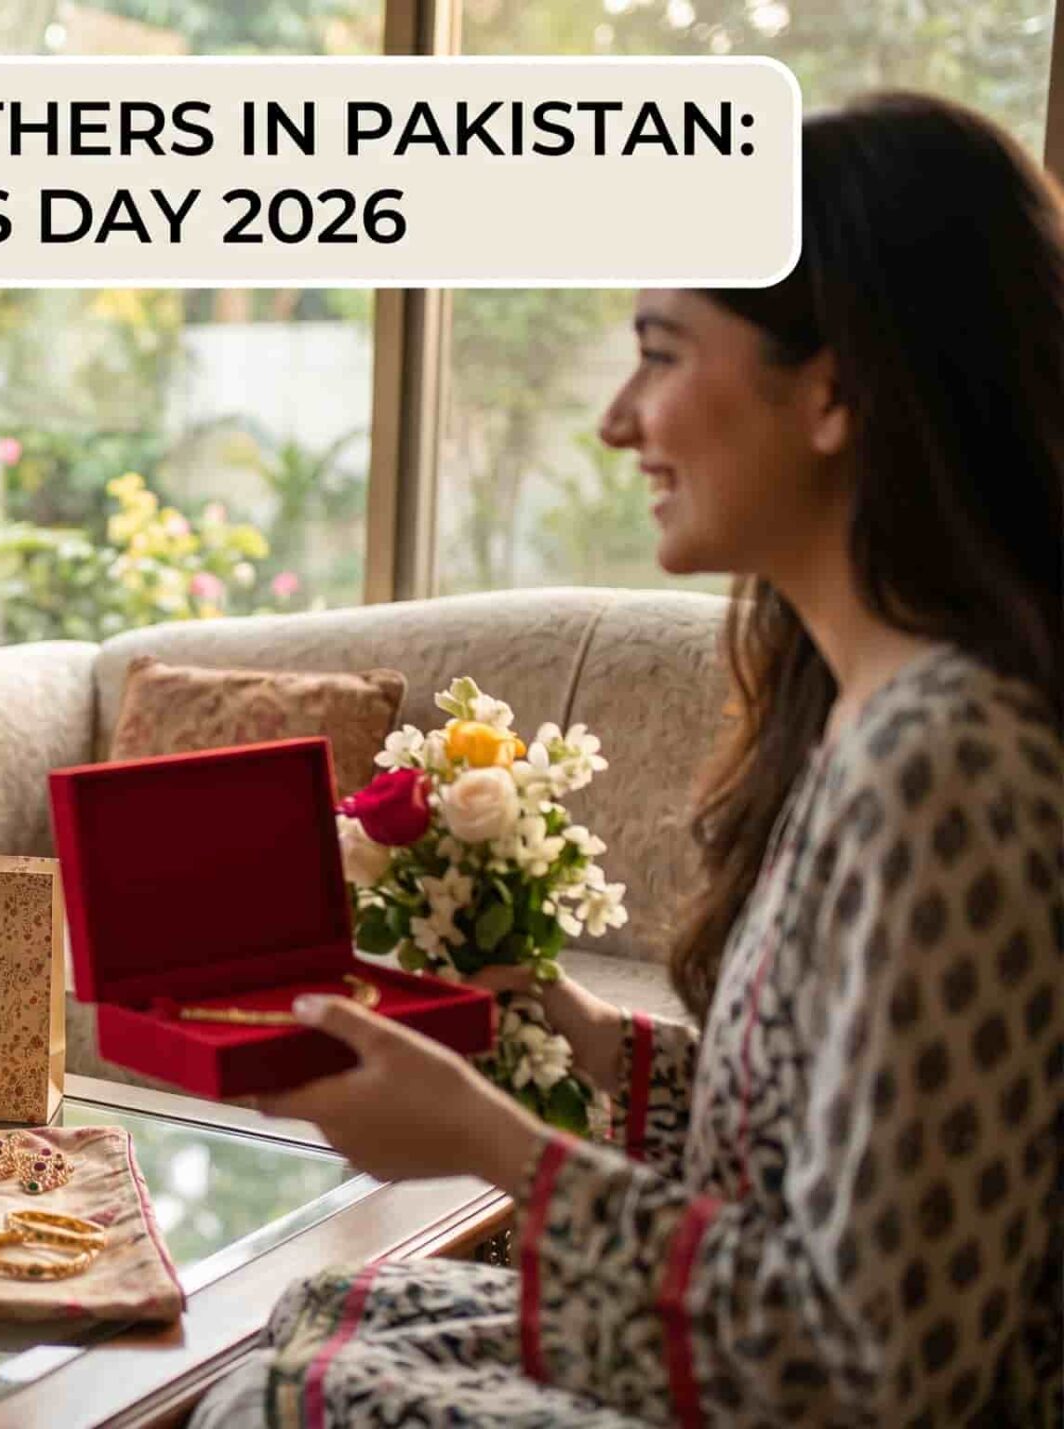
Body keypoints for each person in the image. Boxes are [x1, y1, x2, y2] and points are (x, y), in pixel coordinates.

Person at [194, 91, 1063, 1426]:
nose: (617, 418)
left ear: (834, 389)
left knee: (290, 1393)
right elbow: (834, 1155)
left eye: (661, 353)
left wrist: (493, 1143)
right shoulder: (861, 714)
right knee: (318, 1315)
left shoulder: (944, 762)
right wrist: (586, 1034)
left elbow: (874, 1369)